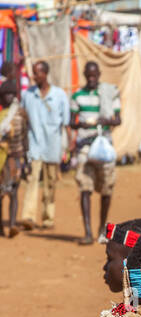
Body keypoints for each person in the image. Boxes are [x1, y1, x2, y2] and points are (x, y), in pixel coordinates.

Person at [70, 60, 122, 246]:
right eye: (88, 75)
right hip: (84, 147)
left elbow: (118, 120)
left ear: (99, 74)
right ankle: (88, 232)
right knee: (85, 187)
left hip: (104, 146)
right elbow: (72, 122)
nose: (92, 78)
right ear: (85, 75)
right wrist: (82, 124)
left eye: (94, 75)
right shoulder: (77, 96)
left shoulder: (110, 93)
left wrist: (104, 120)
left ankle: (102, 229)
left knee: (107, 188)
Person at [19, 60, 70, 232]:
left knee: (50, 183)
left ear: (45, 73)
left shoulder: (59, 95)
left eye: (37, 73)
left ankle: (48, 217)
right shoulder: (28, 95)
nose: (35, 76)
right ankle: (28, 217)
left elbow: (66, 123)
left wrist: (69, 145)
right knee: (32, 180)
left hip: (53, 146)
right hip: (34, 145)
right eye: (33, 72)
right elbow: (23, 118)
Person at [0, 78, 27, 238]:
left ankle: (11, 224)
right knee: (1, 194)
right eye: (5, 94)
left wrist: (27, 159)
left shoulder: (21, 114)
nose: (9, 97)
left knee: (14, 193)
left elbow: (25, 136)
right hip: (1, 160)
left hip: (16, 158)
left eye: (11, 94)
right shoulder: (1, 115)